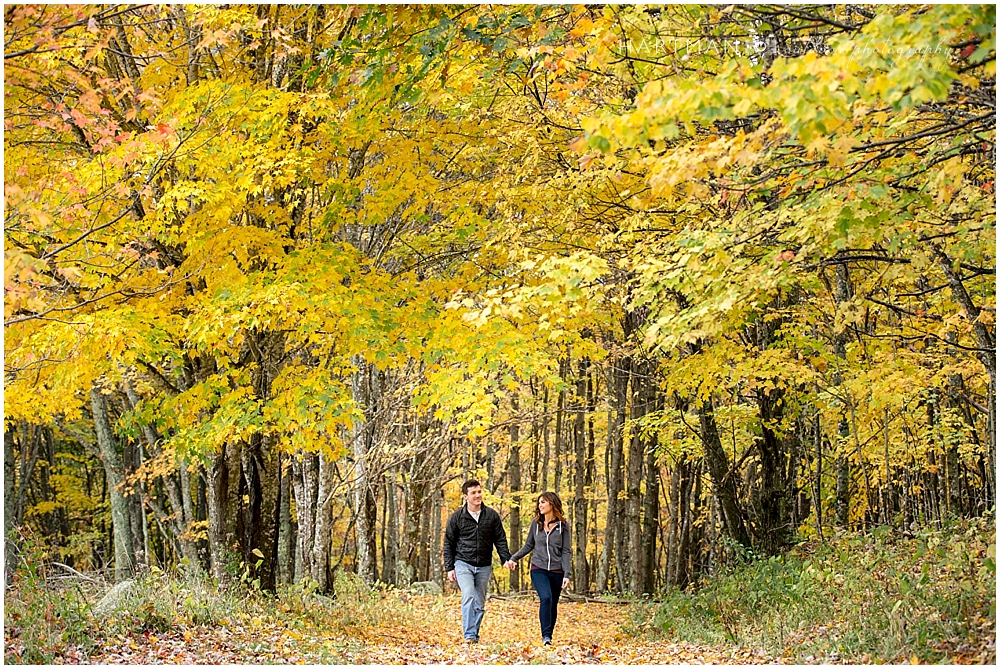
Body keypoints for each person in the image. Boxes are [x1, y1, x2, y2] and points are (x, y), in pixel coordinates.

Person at [443, 479, 512, 644]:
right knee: (468, 595)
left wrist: (505, 559)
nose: (477, 495)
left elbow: (500, 539)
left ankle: (474, 634)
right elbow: (448, 543)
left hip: (484, 565)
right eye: (473, 493)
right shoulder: (457, 517)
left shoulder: (491, 516)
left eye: (479, 492)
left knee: (480, 603)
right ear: (466, 496)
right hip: (462, 562)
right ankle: (469, 635)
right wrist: (449, 567)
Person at [504, 491, 571, 646]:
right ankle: (545, 636)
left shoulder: (563, 526)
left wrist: (567, 573)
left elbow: (566, 550)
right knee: (546, 598)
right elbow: (529, 545)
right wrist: (513, 558)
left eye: (543, 502)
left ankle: (549, 635)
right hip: (538, 568)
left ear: (552, 504)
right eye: (539, 502)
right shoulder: (536, 524)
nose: (540, 505)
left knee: (553, 603)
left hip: (557, 571)